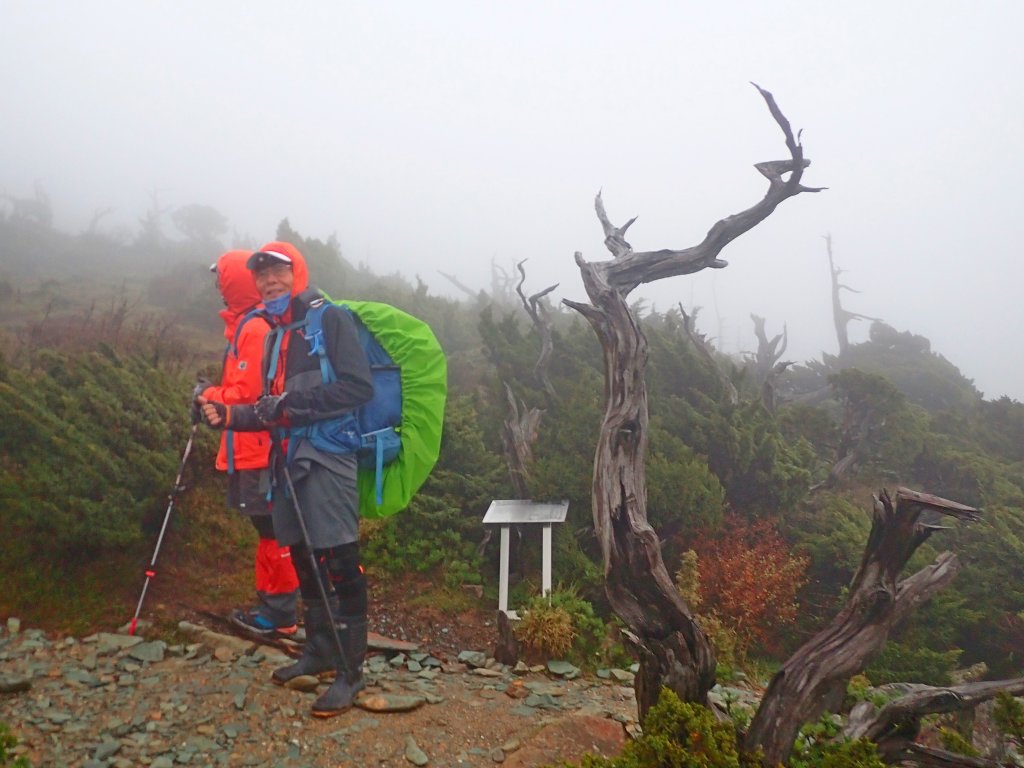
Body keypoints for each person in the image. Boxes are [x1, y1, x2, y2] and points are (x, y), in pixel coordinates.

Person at [197, 241, 374, 718]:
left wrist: (292, 408)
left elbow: (359, 388)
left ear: (298, 274)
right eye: (263, 276)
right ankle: (317, 650)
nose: (270, 281)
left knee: (339, 556)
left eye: (279, 272)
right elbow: (268, 408)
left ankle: (351, 673)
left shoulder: (329, 320)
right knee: (299, 551)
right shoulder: (275, 334)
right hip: (287, 459)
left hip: (330, 455)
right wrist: (229, 418)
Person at [196, 250, 300, 638]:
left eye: (221, 279)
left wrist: (209, 393)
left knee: (274, 530)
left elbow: (248, 394)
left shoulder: (255, 328)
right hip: (255, 447)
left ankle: (279, 615)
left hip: (259, 449)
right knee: (270, 530)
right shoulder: (251, 323)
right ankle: (274, 608)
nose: (218, 287)